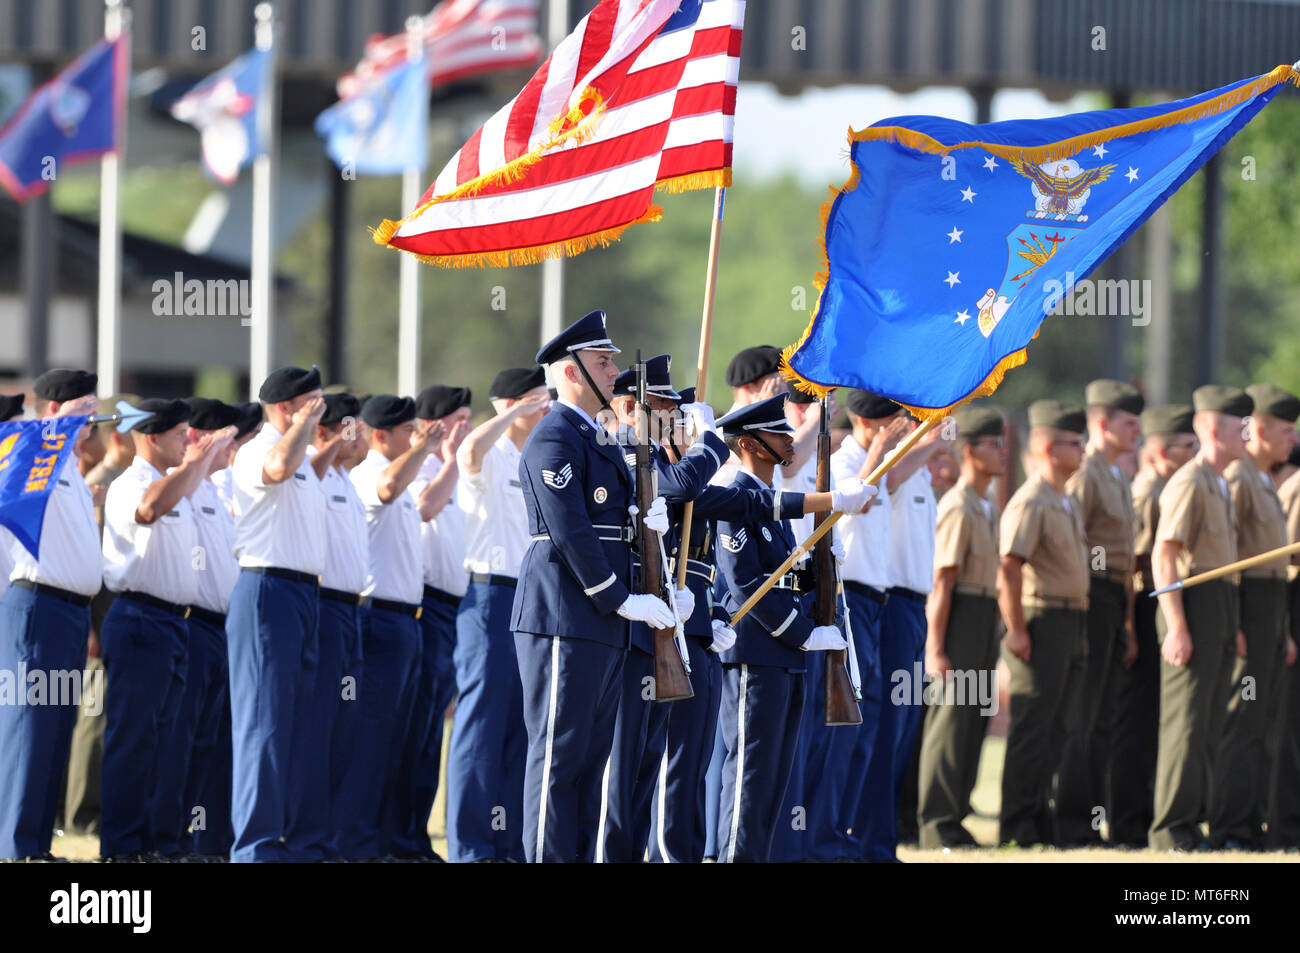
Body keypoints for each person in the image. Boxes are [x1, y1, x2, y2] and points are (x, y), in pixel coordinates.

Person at [512, 310, 677, 863]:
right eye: (603, 362)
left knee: (588, 758)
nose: (613, 373)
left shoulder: (597, 440)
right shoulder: (554, 437)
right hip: (564, 612)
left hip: (602, 619)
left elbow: (614, 524)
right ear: (571, 372)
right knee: (558, 754)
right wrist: (618, 596)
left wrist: (647, 523)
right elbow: (570, 532)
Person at [712, 393, 871, 862]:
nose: (787, 439)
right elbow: (744, 583)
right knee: (748, 776)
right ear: (749, 444)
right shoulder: (736, 497)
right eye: (776, 432)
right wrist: (803, 634)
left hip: (783, 658)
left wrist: (823, 565)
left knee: (773, 783)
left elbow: (781, 577)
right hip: (755, 655)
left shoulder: (767, 503)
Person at [595, 355, 730, 862]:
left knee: (653, 760)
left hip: (666, 625)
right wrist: (712, 444)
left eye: (675, 409)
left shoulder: (664, 460)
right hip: (627, 632)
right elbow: (680, 487)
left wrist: (818, 502)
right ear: (630, 408)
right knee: (623, 765)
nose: (674, 417)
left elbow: (717, 501)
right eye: (662, 407)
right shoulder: (622, 451)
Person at [99, 399, 232, 860]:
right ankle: (120, 846)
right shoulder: (130, 484)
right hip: (141, 618)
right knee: (134, 741)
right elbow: (150, 509)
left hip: (174, 624)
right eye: (179, 435)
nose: (186, 443)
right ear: (152, 437)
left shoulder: (176, 483)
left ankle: (159, 842)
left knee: (167, 744)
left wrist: (200, 466)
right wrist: (193, 467)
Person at [446, 367, 550, 863]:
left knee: (519, 726)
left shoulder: (535, 457)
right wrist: (517, 411)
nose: (545, 409)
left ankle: (506, 844)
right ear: (509, 405)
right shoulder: (488, 455)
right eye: (536, 401)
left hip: (530, 600)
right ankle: (470, 847)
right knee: (480, 727)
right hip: (488, 597)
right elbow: (465, 452)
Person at [227, 365, 327, 863]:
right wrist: (303, 426)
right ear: (286, 407)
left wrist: (307, 432)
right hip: (267, 590)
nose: (322, 410)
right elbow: (277, 468)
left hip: (303, 594)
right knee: (263, 723)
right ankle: (257, 847)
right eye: (313, 402)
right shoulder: (257, 451)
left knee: (300, 725)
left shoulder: (302, 453)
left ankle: (299, 842)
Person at [0, 370, 101, 861]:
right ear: (53, 412)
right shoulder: (28, 452)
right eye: (83, 409)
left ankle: (37, 843)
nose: (92, 420)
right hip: (37, 605)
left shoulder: (72, 473)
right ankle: (16, 846)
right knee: (29, 727)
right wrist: (51, 426)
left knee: (56, 729)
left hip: (69, 613)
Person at [1148, 386, 1251, 851]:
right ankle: (1171, 830)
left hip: (1219, 605)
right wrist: (1176, 624)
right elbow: (1164, 555)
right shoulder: (1190, 480)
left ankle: (1193, 825)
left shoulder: (1219, 481)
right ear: (1212, 430)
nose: (1248, 435)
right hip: (1193, 605)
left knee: (1207, 723)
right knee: (1186, 722)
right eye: (1239, 427)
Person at [809, 389, 909, 862]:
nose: (898, 430)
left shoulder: (877, 464)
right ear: (867, 423)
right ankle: (825, 841)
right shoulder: (846, 461)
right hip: (847, 599)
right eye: (890, 423)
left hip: (875, 602)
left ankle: (846, 840)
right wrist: (875, 448)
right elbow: (859, 501)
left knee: (865, 732)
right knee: (843, 726)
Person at [348, 394, 445, 860]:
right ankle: (360, 843)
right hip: (377, 619)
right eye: (408, 432)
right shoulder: (371, 474)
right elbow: (386, 487)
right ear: (381, 434)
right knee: (371, 739)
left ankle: (388, 840)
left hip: (406, 622)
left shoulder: (403, 480)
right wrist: (425, 450)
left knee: (399, 740)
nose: (415, 438)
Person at [1209, 383, 1298, 849]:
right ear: (1259, 430)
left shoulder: (1264, 479)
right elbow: (1233, 556)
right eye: (1285, 431)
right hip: (1247, 609)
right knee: (1242, 725)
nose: (1292, 440)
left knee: (1263, 725)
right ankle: (1230, 828)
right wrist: (1240, 623)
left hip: (1272, 610)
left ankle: (1254, 826)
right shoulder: (1241, 480)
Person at [1055, 380, 1143, 847]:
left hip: (1113, 598)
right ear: (1103, 423)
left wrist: (1125, 617)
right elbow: (1077, 542)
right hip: (1092, 597)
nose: (1138, 431)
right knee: (1084, 716)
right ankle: (1072, 823)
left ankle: (1093, 819)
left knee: (1106, 715)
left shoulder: (1115, 474)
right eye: (1129, 422)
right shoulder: (1088, 474)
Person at [997, 400, 1089, 847]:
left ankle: (1041, 820)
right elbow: (1010, 566)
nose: (1084, 450)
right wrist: (1015, 628)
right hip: (1041, 618)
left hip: (1069, 620)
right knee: (1034, 728)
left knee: (1058, 727)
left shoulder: (1062, 499)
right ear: (1050, 449)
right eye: (1076, 443)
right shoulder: (1032, 498)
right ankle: (1018, 826)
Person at [917, 404, 1007, 849]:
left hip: (983, 615)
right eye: (995, 445)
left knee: (973, 721)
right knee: (950, 721)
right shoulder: (958, 505)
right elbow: (943, 581)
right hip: (959, 617)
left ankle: (956, 815)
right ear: (970, 451)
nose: (1004, 453)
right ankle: (936, 823)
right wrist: (935, 647)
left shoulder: (984, 505)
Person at [859, 409, 947, 862]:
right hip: (890, 605)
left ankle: (881, 842)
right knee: (885, 728)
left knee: (901, 730)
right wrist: (930, 439)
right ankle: (870, 843)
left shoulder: (921, 475)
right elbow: (883, 482)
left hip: (914, 607)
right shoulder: (890, 464)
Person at [1107, 404, 1197, 846]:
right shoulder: (1149, 491)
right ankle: (1126, 822)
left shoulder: (1170, 485)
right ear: (1163, 451)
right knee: (1135, 720)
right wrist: (1129, 625)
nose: (1195, 453)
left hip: (1156, 600)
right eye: (1188, 446)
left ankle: (1142, 815)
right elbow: (1134, 565)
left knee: (1151, 719)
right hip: (1145, 601)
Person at [397, 385, 472, 861]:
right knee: (414, 727)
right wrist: (450, 458)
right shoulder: (421, 468)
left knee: (432, 733)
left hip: (458, 607)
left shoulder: (459, 469)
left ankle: (416, 838)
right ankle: (398, 837)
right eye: (458, 421)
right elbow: (424, 507)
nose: (466, 430)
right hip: (424, 607)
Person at [165, 399, 241, 861]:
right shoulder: (190, 487)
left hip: (221, 629)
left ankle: (201, 840)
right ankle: (174, 838)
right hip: (190, 625)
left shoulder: (212, 491)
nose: (233, 449)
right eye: (227, 439)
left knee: (209, 743)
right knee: (183, 739)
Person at [308, 394, 370, 860]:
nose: (361, 436)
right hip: (324, 606)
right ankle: (310, 835)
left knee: (346, 730)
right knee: (321, 726)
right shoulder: (316, 471)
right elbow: (304, 470)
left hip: (351, 610)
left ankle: (329, 838)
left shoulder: (346, 480)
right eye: (353, 427)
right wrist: (328, 442)